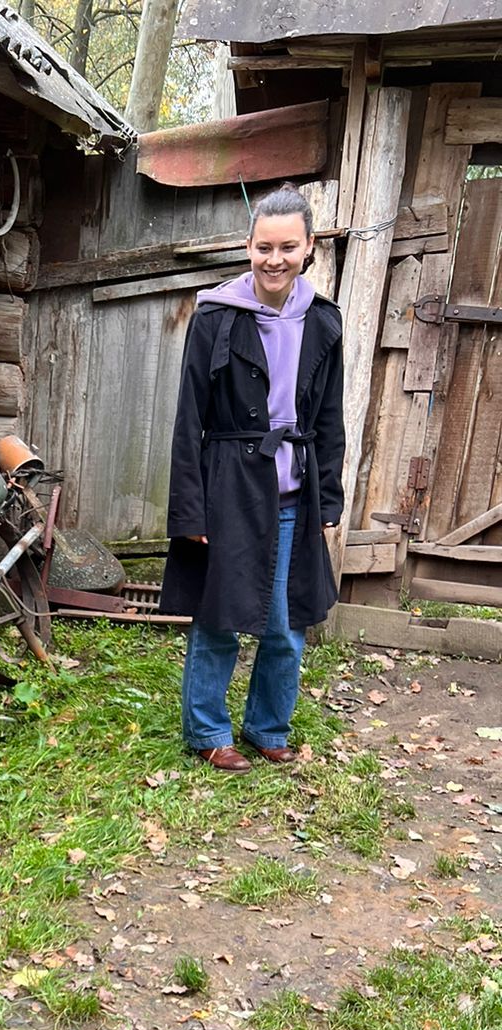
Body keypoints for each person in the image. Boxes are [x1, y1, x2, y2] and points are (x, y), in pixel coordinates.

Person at [160, 185, 346, 772]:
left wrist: (329, 498)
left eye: (288, 247)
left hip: (295, 490)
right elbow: (190, 417)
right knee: (219, 614)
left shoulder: (323, 321)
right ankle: (208, 730)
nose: (275, 259)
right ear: (248, 247)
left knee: (286, 622)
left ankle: (268, 726)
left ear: (309, 247)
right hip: (229, 490)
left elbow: (330, 417)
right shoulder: (216, 315)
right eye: (264, 247)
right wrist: (191, 510)